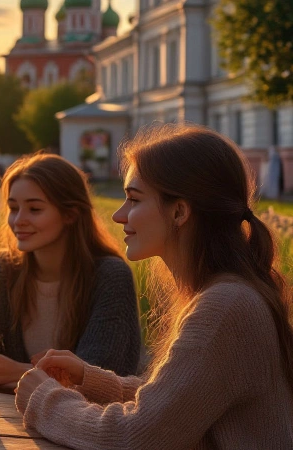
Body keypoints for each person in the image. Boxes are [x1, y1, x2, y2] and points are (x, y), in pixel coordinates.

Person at [15, 124, 293, 448]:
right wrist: (89, 380)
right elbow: (178, 404)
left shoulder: (225, 306)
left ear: (179, 212)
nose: (119, 215)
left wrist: (45, 399)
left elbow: (136, 437)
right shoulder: (225, 294)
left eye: (134, 199)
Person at [0, 153, 140, 392]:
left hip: (80, 416)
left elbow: (101, 376)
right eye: (13, 208)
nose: (18, 220)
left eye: (34, 209)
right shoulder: (1, 269)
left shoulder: (110, 276)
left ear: (70, 214)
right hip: (3, 412)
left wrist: (20, 372)